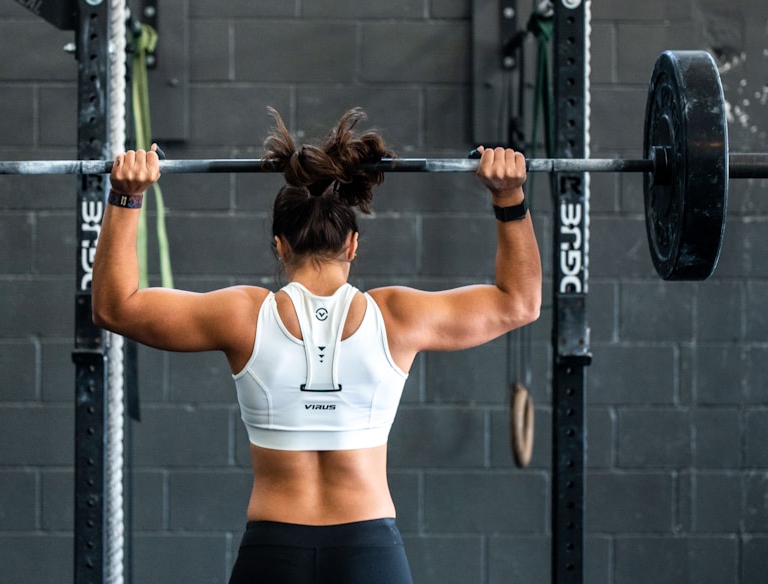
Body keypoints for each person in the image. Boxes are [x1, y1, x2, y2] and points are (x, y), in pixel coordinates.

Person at [92, 107, 542, 584]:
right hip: (369, 553)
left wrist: (126, 197)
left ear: (279, 245)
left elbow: (114, 307)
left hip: (273, 552)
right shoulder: (397, 317)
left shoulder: (242, 316)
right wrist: (509, 197)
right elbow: (520, 302)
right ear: (352, 245)